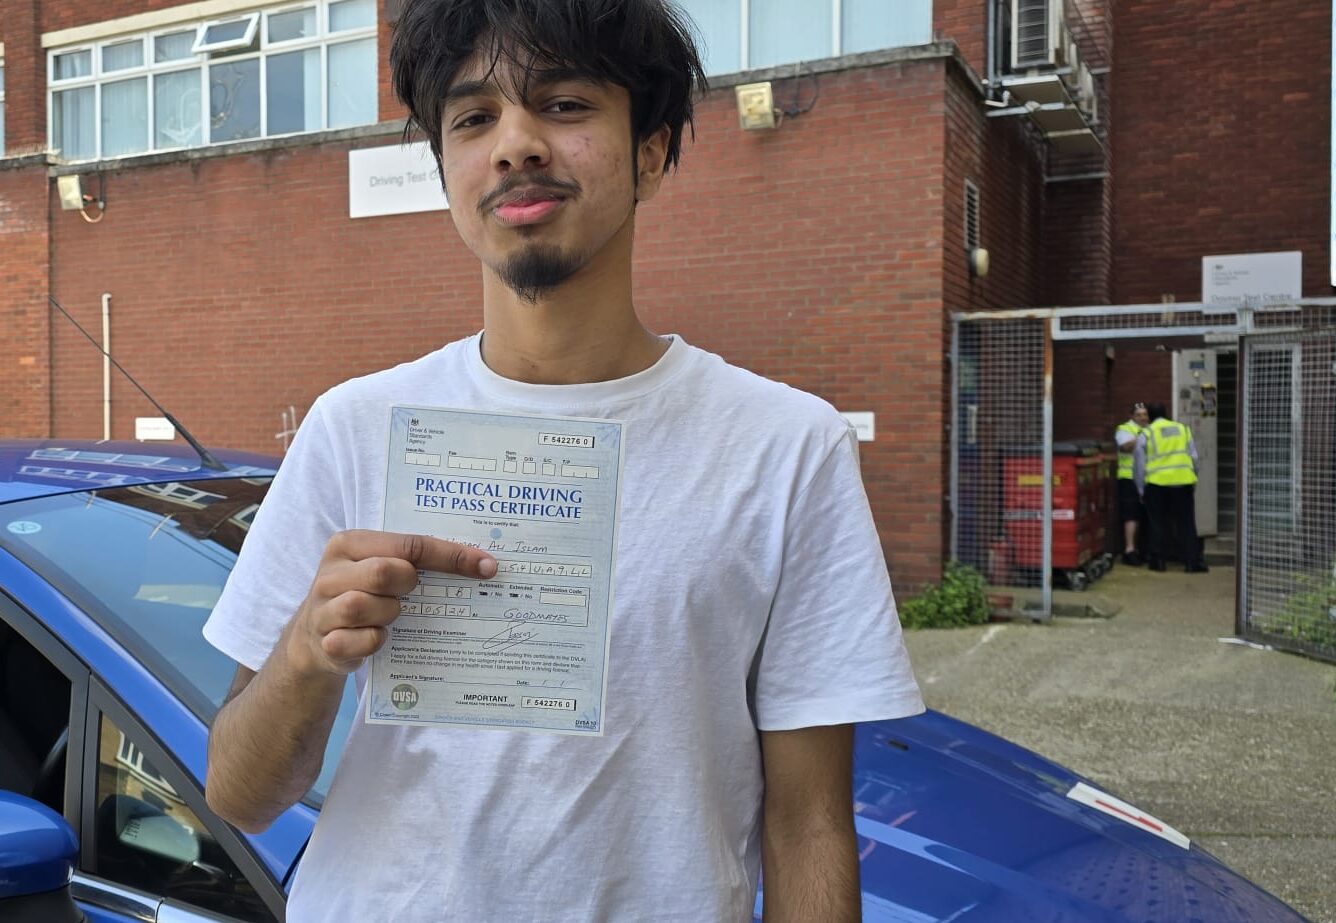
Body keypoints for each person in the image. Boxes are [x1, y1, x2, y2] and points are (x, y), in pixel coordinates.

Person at [201, 2, 924, 921]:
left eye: (566, 105)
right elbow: (238, 792)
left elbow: (810, 820)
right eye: (473, 119)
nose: (515, 145)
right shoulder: (354, 426)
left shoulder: (786, 449)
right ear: (447, 171)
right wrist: (309, 648)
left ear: (651, 153)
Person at [1135, 403, 1208, 573]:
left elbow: (1139, 464)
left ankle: (1158, 562)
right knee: (1187, 522)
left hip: (1156, 484)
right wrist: (1193, 477)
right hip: (1183, 482)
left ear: (1150, 417)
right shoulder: (1183, 429)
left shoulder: (1146, 433)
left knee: (1157, 522)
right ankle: (1192, 562)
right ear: (1166, 414)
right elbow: (1194, 457)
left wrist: (1140, 489)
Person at [1114, 402, 1150, 566]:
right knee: (1131, 515)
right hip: (1128, 478)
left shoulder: (1151, 429)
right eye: (1139, 415)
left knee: (1145, 515)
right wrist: (1142, 437)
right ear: (1132, 416)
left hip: (1148, 479)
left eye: (1145, 414)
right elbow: (1125, 446)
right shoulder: (1124, 429)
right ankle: (1129, 550)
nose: (1143, 418)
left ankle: (1144, 550)